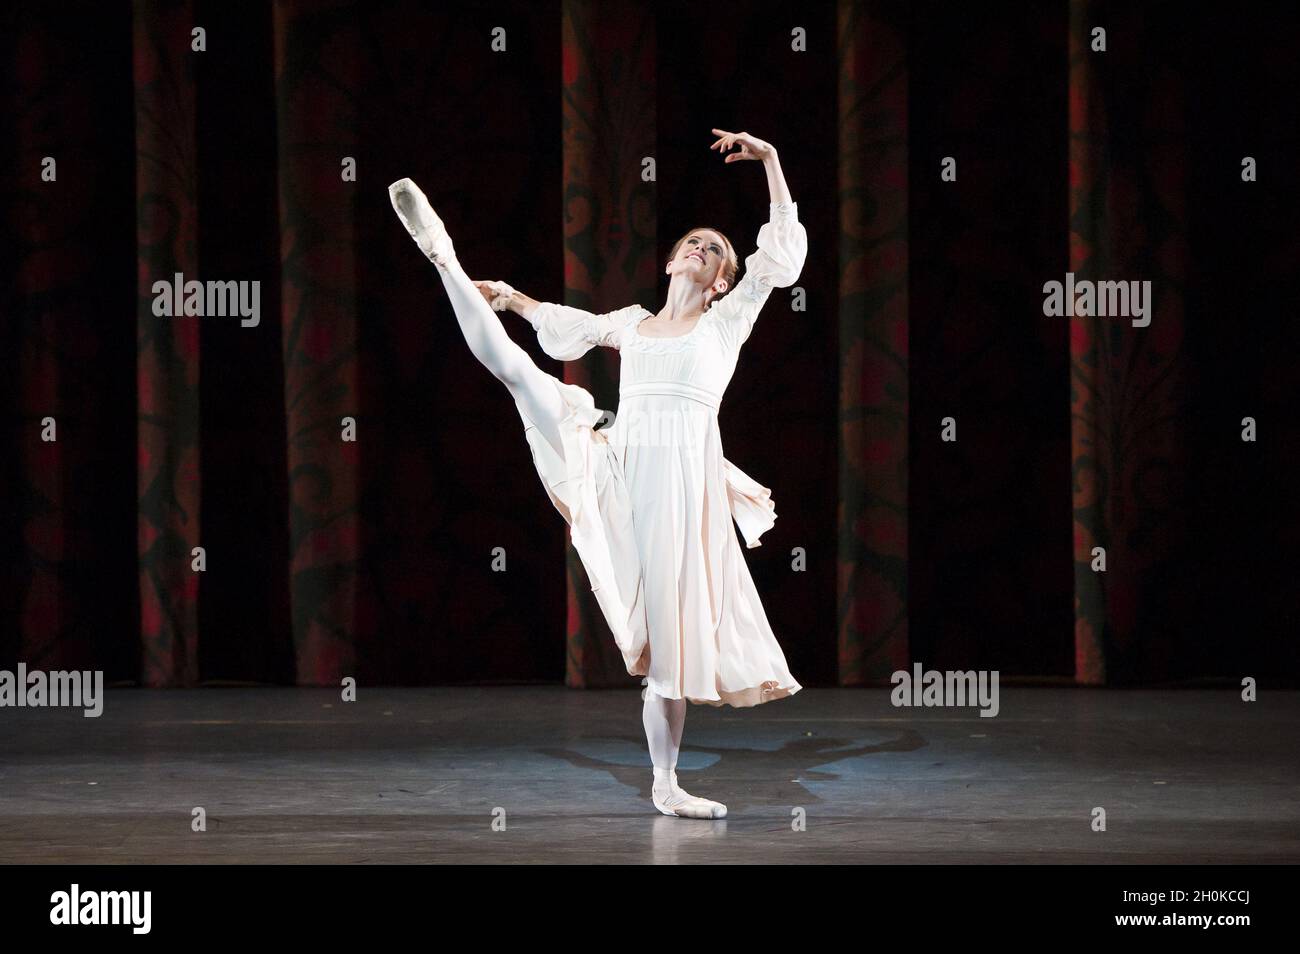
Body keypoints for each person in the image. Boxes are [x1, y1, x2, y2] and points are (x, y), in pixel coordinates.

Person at [389, 128, 807, 819]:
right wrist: (517, 302)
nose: (700, 249)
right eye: (693, 242)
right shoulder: (635, 323)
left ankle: (666, 784)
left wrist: (772, 160)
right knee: (521, 376)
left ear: (721, 278)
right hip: (617, 460)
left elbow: (780, 256)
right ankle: (444, 258)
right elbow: (574, 325)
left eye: (714, 249)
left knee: (668, 653)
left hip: (679, 491)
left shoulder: (727, 322)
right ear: (674, 260)